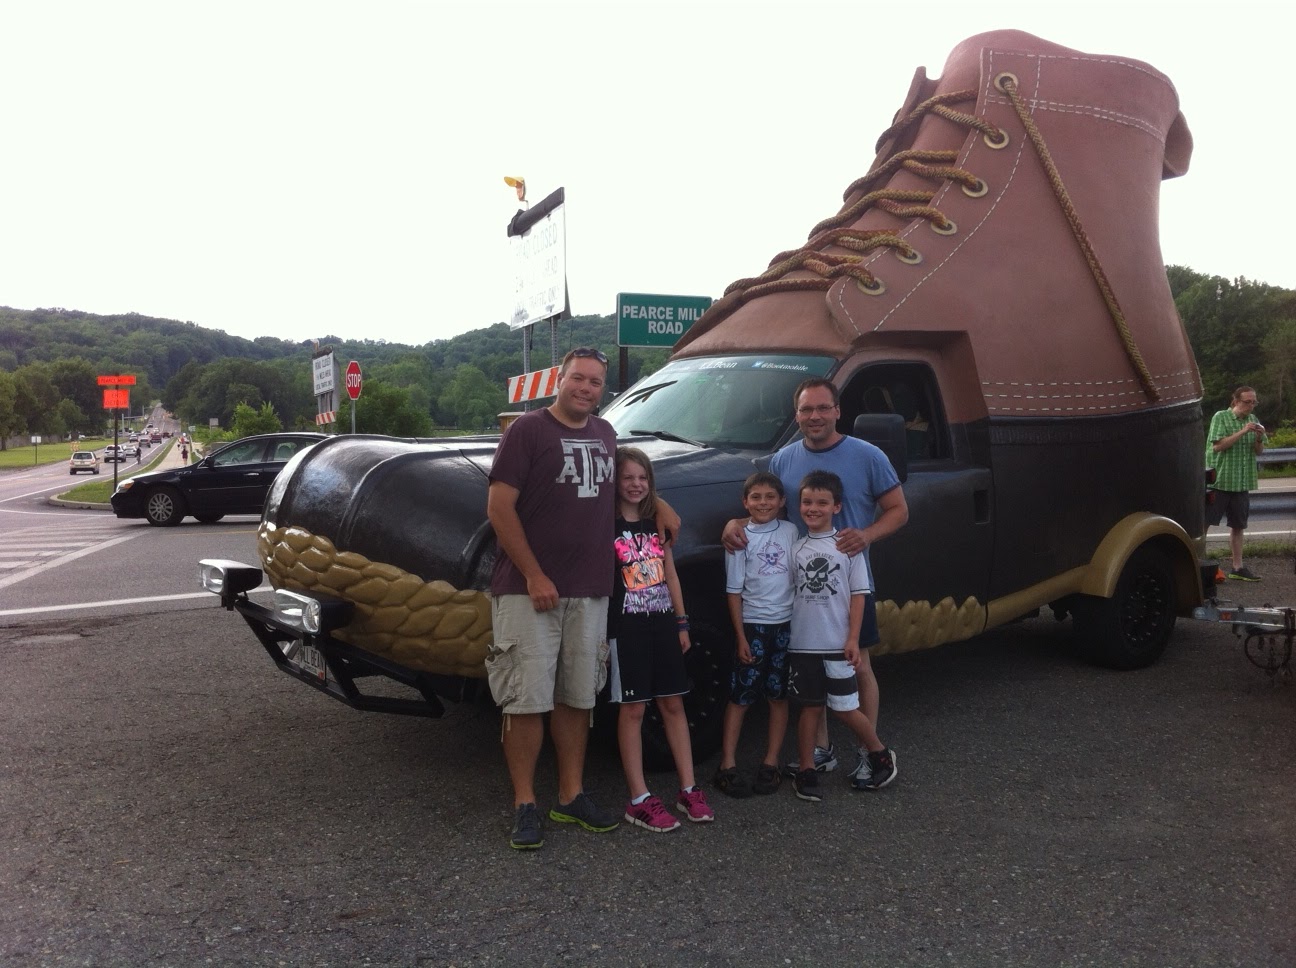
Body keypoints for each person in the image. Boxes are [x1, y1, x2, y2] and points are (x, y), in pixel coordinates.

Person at [485, 346, 680, 850]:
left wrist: (664, 506)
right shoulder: (528, 430)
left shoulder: (605, 435)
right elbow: (499, 506)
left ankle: (570, 796)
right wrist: (533, 574)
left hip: (591, 592)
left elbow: (632, 482)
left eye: (595, 382)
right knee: (525, 699)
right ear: (560, 380)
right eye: (578, 379)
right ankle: (525, 802)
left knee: (577, 696)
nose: (587, 388)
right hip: (530, 592)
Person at [723, 377, 907, 788]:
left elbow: (898, 510)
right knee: (810, 670)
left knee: (859, 667)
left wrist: (867, 535)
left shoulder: (867, 455)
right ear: (797, 415)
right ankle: (820, 751)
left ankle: (867, 752)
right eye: (806, 410)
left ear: (838, 410)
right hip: (804, 592)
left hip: (850, 586)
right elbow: (765, 507)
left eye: (823, 408)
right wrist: (735, 522)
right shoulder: (783, 461)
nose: (815, 416)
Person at [608, 446, 714, 831]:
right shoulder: (605, 524)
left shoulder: (657, 523)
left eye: (642, 478)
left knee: (673, 704)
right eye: (627, 477)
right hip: (626, 628)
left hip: (663, 623)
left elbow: (670, 574)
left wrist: (682, 623)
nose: (635, 484)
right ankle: (638, 797)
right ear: (614, 481)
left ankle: (689, 787)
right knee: (633, 710)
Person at [787, 470, 897, 802]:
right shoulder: (796, 549)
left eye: (822, 502)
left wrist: (852, 639)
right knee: (808, 708)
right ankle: (807, 768)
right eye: (807, 502)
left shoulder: (849, 547)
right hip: (802, 644)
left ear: (837, 506)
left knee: (845, 708)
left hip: (837, 644)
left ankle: (879, 751)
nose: (813, 508)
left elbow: (859, 596)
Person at [714, 471, 798, 798]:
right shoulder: (738, 538)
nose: (763, 503)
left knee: (778, 695)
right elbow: (733, 591)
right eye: (756, 497)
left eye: (770, 497)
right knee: (742, 696)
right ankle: (728, 763)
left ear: (782, 501)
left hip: (786, 625)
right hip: (754, 626)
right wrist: (741, 636)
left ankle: (771, 761)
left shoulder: (791, 531)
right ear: (745, 502)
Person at [1206, 386, 1267, 581]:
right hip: (1220, 480)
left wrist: (1258, 437)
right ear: (1236, 401)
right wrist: (1242, 432)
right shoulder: (1221, 417)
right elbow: (1218, 446)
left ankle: (1237, 567)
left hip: (1241, 481)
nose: (1251, 406)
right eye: (1247, 402)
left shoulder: (1254, 420)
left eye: (1254, 402)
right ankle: (1200, 563)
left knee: (1239, 525)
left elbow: (1259, 452)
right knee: (1205, 523)